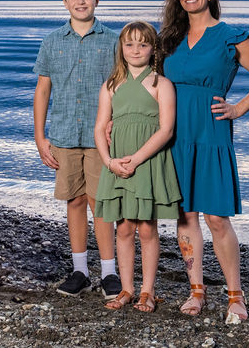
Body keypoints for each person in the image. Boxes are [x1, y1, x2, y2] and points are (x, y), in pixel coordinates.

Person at [160, 0, 249, 323]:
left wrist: (239, 107)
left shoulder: (230, 35)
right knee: (184, 213)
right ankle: (196, 290)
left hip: (210, 133)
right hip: (173, 133)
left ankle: (235, 295)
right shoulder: (169, 38)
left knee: (216, 216)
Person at [33, 0, 122, 300]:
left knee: (103, 202)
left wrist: (118, 120)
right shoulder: (52, 41)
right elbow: (43, 91)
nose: (80, 1)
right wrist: (40, 137)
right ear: (64, 2)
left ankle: (110, 273)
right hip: (65, 134)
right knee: (75, 201)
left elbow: (122, 87)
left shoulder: (114, 41)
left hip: (102, 137)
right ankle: (80, 270)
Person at [94, 21, 182, 312]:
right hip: (117, 162)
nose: (136, 50)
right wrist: (109, 161)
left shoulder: (162, 84)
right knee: (124, 228)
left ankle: (147, 291)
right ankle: (127, 289)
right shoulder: (111, 85)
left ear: (153, 49)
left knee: (147, 228)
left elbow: (166, 130)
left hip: (147, 162)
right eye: (129, 44)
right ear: (121, 48)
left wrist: (137, 159)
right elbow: (99, 128)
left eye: (143, 44)